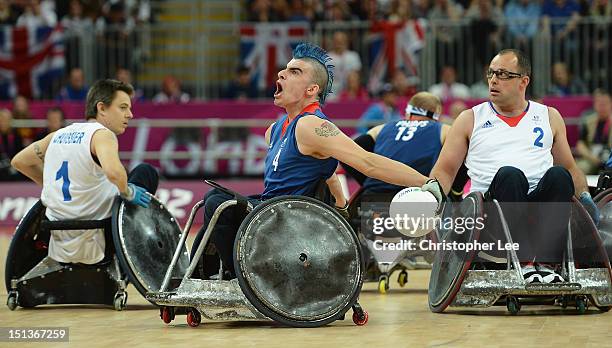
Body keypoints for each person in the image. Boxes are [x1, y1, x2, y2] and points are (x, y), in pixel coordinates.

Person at [191, 43, 442, 279]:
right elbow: (329, 173)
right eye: (284, 69)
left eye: (294, 71)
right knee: (215, 199)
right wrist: (342, 206)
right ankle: (205, 275)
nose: (281, 74)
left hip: (287, 218)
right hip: (269, 210)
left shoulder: (312, 125)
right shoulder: (275, 129)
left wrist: (425, 181)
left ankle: (240, 279)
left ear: (312, 90)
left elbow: (368, 162)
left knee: (217, 201)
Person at [428, 49, 598, 284]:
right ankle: (525, 262)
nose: (493, 80)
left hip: (540, 211)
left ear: (523, 81)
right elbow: (445, 170)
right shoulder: (470, 118)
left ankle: (547, 264)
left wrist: (586, 197)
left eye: (503, 74)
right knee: (511, 175)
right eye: (491, 73)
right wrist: (430, 196)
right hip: (490, 214)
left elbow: (570, 167)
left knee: (559, 175)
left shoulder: (549, 116)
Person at [11, 79, 158, 265]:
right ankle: (138, 245)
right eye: (123, 107)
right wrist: (129, 192)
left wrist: (49, 184)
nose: (130, 114)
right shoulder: (103, 134)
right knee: (145, 172)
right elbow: (114, 172)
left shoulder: (58, 135)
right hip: (98, 236)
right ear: (101, 108)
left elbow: (19, 161)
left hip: (56, 239)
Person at [576, 89, 612, 174]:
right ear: (594, 105)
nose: (602, 106)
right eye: (599, 103)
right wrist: (592, 158)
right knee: (580, 168)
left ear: (611, 104)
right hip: (592, 157)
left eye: (605, 103)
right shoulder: (588, 121)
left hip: (610, 157)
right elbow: (580, 144)